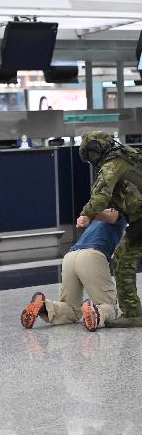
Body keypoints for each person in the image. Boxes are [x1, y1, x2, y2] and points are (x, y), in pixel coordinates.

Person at [76, 131, 142, 327]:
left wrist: (86, 213)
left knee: (122, 259)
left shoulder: (112, 164)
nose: (92, 159)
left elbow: (99, 199)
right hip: (138, 218)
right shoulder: (128, 155)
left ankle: (132, 312)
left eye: (91, 154)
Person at [21, 209, 124, 331]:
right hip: (91, 256)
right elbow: (112, 215)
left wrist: (89, 216)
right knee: (110, 307)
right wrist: (91, 215)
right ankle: (97, 313)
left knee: (71, 308)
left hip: (70, 257)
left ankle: (44, 307)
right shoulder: (120, 212)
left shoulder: (97, 220)